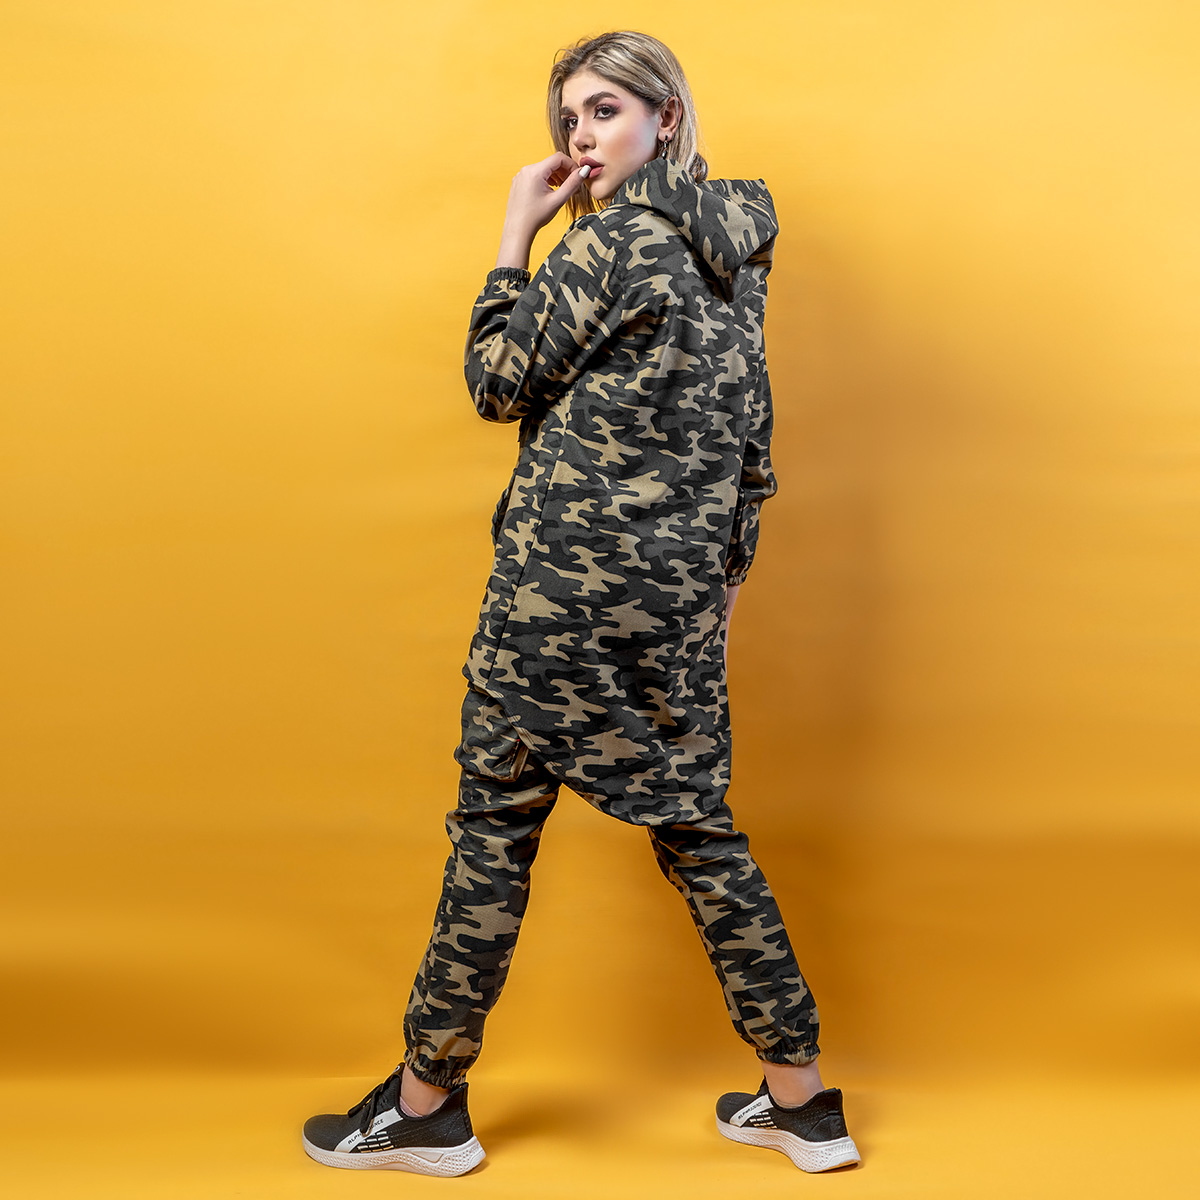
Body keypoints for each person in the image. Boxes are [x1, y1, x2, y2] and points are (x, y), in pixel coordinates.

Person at [301, 30, 860, 1177]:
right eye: (569, 119)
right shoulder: (736, 252)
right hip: (678, 604)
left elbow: (495, 382)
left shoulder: (604, 244)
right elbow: (750, 442)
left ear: (666, 116)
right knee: (698, 830)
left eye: (604, 111)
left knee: (494, 831)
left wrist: (516, 236)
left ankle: (424, 1107)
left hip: (557, 598)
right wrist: (718, 594)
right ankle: (803, 1103)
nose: (581, 137)